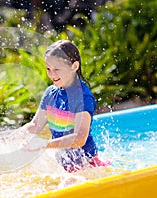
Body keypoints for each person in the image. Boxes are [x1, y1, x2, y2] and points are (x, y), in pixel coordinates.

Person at [18, 40, 110, 172]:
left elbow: (80, 138)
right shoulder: (50, 93)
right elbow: (35, 125)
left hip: (87, 166)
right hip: (65, 163)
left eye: (57, 69)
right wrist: (12, 137)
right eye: (48, 69)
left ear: (74, 66)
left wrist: (43, 145)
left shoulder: (83, 97)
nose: (52, 75)